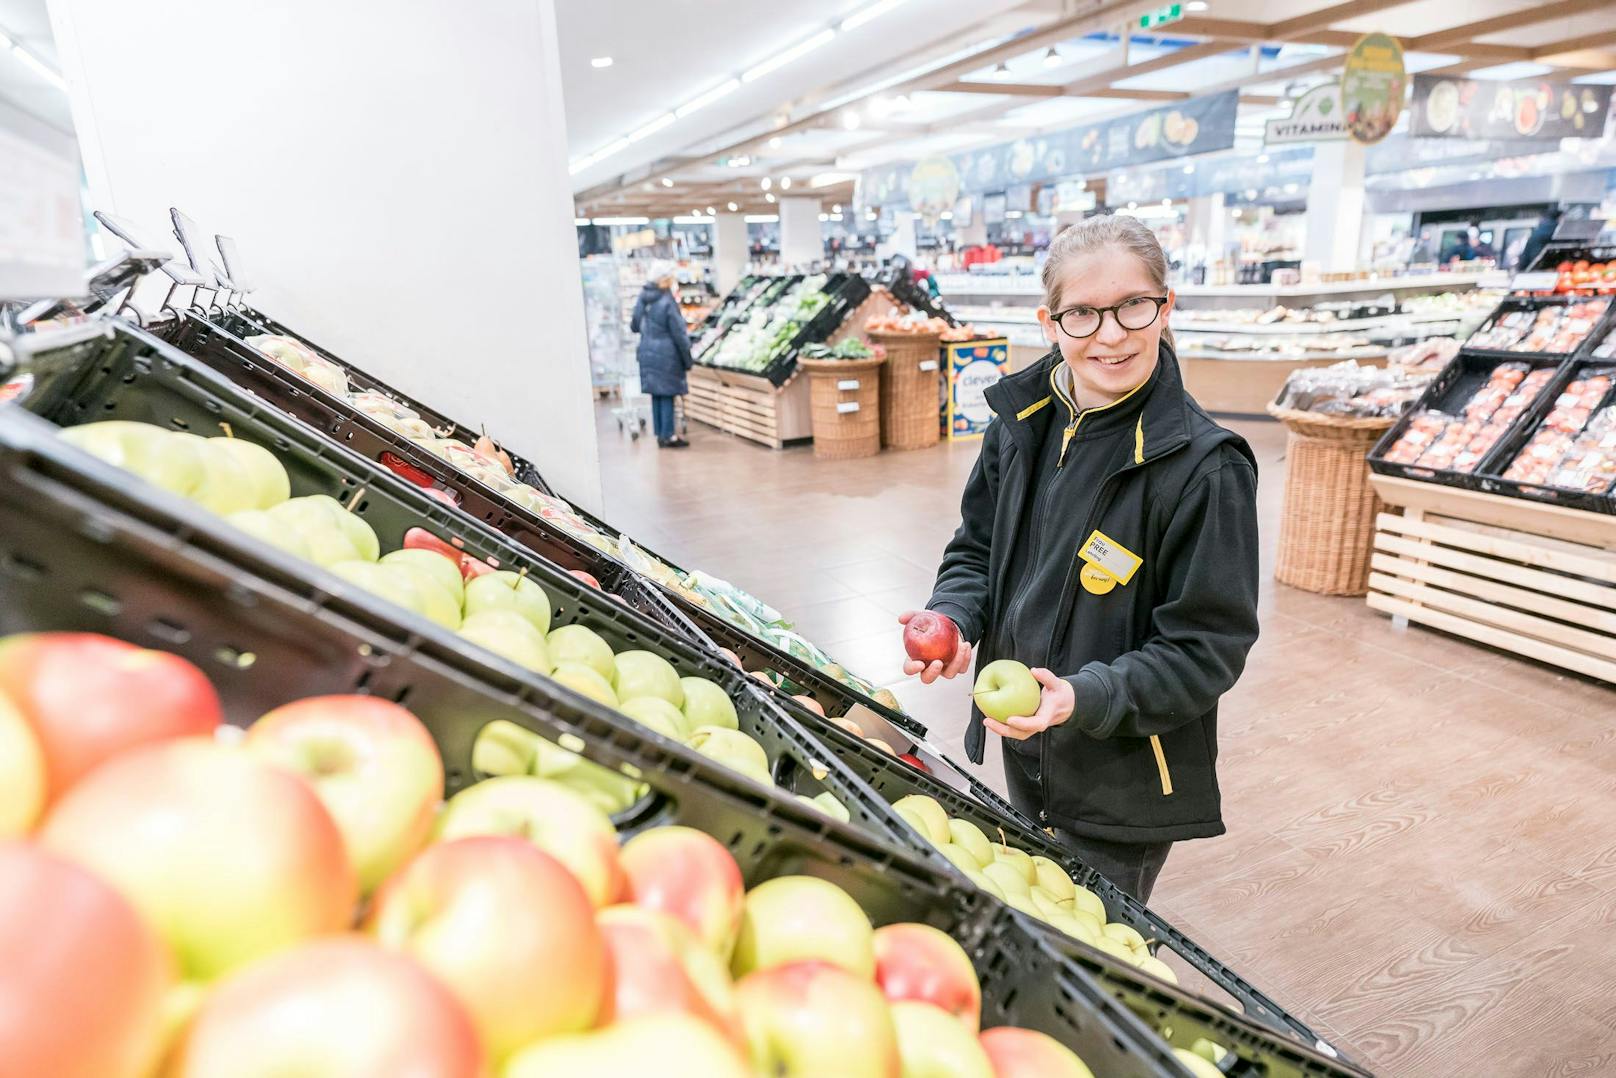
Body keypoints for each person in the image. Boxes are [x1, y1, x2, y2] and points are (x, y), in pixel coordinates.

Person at [900, 214, 1260, 903]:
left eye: (1132, 305)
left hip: (1121, 775)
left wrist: (1082, 696)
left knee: (1088, 939)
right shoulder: (1022, 424)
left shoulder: (1203, 469)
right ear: (1050, 322)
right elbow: (977, 546)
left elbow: (1207, 649)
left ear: (1165, 307)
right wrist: (953, 613)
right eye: (1083, 314)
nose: (1112, 334)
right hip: (1024, 744)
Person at [630, 263, 692, 448]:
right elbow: (679, 332)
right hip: (667, 352)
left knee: (657, 394)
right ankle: (669, 435)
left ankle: (660, 433)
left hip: (647, 349)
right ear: (664, 279)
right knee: (667, 394)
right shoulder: (667, 300)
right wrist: (687, 357)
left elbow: (634, 325)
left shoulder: (643, 298)